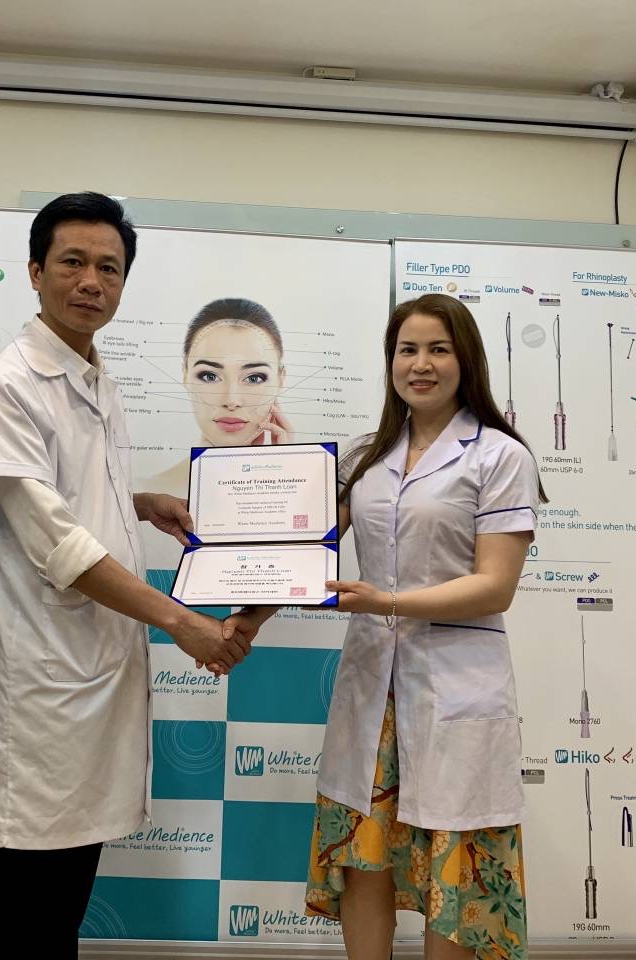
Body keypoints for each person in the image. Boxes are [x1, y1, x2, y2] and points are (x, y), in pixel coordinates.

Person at [0, 192, 252, 958]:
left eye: (109, 268)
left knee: (60, 902)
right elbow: (54, 541)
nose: (91, 281)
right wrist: (183, 622)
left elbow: (71, 495)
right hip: (40, 680)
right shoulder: (7, 385)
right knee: (14, 892)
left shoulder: (94, 377)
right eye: (73, 263)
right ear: (35, 271)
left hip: (92, 676)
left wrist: (141, 502)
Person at [234, 292, 544, 957]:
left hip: (455, 688)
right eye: (408, 350)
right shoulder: (364, 457)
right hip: (372, 693)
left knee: (452, 863)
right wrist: (245, 620)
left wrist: (386, 602)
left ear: (466, 360)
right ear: (390, 361)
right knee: (363, 856)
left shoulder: (499, 456)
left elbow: (496, 585)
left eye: (438, 349)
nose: (420, 364)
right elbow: (304, 555)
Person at [143, 297, 293, 493]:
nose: (231, 401)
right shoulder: (146, 493)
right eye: (210, 376)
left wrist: (283, 476)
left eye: (254, 378)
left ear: (281, 379)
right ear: (185, 374)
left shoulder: (306, 489)